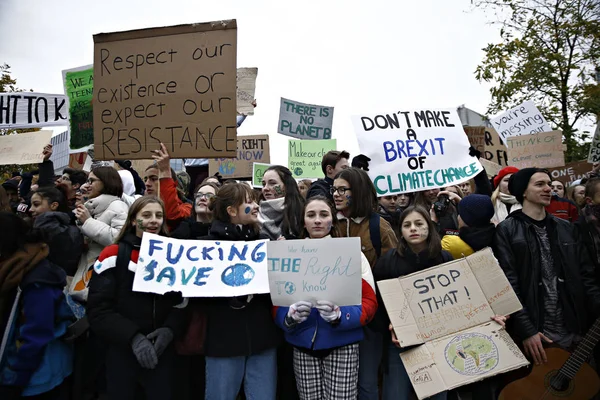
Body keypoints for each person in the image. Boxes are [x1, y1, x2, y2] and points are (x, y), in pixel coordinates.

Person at [493, 168, 600, 367]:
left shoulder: (567, 228)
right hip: (539, 332)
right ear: (523, 191)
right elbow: (508, 283)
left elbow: (586, 277)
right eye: (540, 184)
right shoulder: (507, 230)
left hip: (575, 329)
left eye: (549, 184)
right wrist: (526, 330)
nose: (548, 189)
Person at [274, 196, 377, 399]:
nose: (317, 220)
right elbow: (277, 302)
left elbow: (369, 302)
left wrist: (342, 316)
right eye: (311, 215)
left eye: (324, 214)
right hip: (302, 344)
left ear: (332, 219)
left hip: (343, 344)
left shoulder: (352, 254)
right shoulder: (288, 254)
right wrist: (288, 317)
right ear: (303, 220)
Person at [87, 197, 185, 400]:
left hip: (163, 355)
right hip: (121, 354)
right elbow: (98, 309)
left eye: (159, 216)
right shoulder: (112, 255)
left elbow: (182, 303)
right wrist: (133, 338)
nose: (154, 221)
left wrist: (170, 330)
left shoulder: (176, 256)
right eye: (146, 215)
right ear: (133, 220)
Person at [201, 183, 281, 399]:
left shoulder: (264, 244)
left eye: (255, 201)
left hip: (262, 341)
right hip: (223, 343)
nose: (256, 206)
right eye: (249, 201)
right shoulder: (204, 248)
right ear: (231, 211)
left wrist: (283, 258)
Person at [373, 206, 453, 399]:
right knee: (395, 394)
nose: (413, 229)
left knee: (436, 395)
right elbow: (378, 302)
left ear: (429, 227)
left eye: (419, 224)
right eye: (407, 225)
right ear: (400, 230)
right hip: (400, 343)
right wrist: (390, 326)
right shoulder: (387, 262)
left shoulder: (444, 258)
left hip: (437, 343)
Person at [331, 167, 397, 400]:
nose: (336, 194)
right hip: (335, 317)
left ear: (357, 191)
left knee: (367, 381)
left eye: (342, 190)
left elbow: (395, 273)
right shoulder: (329, 223)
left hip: (371, 318)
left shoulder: (379, 227)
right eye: (334, 189)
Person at [0, 212, 74, 399]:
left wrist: (12, 380)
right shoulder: (12, 268)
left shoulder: (37, 280)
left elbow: (34, 335)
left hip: (37, 378)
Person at [70, 166, 129, 302]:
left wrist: (88, 222)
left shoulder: (118, 206)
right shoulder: (94, 206)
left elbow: (119, 238)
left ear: (106, 182)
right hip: (89, 268)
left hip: (104, 273)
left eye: (92, 181)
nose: (86, 185)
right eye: (87, 181)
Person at [30, 186, 83, 275]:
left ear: (54, 205)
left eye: (36, 204)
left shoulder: (51, 230)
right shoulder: (71, 228)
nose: (31, 209)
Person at [439, 194, 495, 259]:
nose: (458, 217)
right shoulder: (497, 234)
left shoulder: (451, 244)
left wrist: (433, 222)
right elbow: (476, 212)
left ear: (466, 220)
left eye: (460, 214)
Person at [259, 165, 305, 240]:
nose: (265, 188)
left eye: (272, 183)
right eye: (264, 184)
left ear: (286, 186)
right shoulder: (254, 215)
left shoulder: (302, 212)